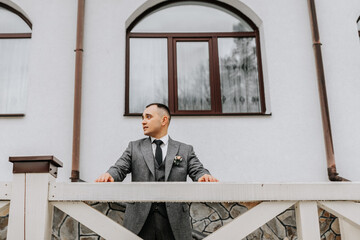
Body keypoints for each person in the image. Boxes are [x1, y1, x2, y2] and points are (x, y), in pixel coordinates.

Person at [95, 103, 218, 240]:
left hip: (174, 223)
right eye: (142, 118)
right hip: (139, 223)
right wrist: (110, 175)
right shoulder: (134, 147)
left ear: (164, 120)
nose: (143, 121)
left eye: (148, 117)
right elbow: (119, 167)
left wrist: (204, 176)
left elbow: (198, 170)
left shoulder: (185, 150)